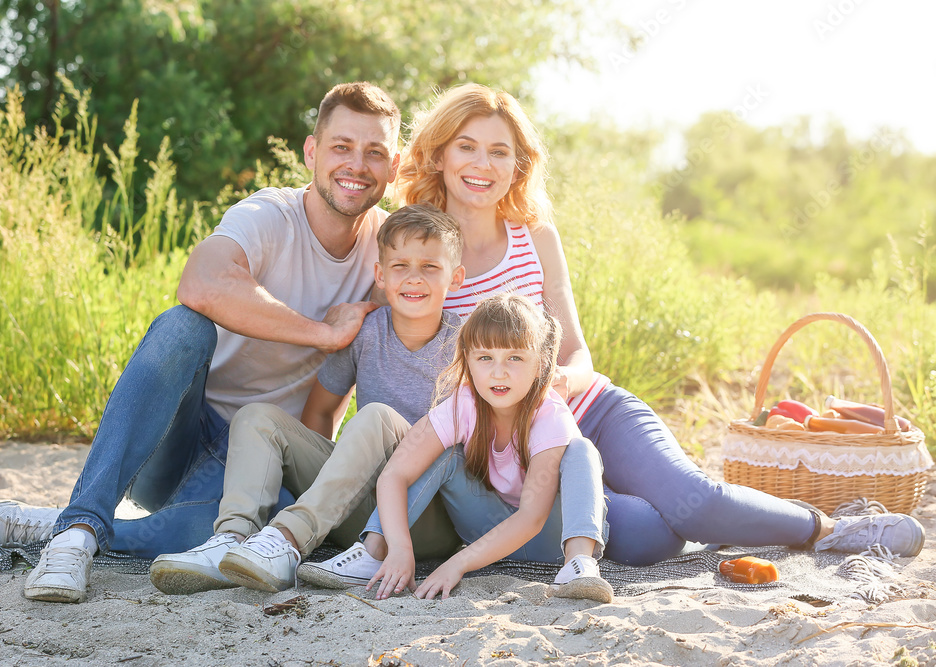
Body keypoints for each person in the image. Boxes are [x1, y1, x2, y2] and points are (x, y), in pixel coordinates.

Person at [389, 83, 926, 565]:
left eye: (499, 151)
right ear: (438, 155)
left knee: (694, 499)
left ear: (517, 166)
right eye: (467, 146)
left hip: (588, 408)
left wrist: (558, 381)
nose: (482, 163)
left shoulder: (536, 238)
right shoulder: (414, 251)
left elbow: (577, 351)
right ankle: (697, 519)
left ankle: (829, 528)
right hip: (517, 448)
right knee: (651, 537)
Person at [0, 81, 403, 603]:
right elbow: (201, 283)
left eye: (375, 152)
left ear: (393, 168)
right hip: (177, 436)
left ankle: (54, 525)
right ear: (311, 151)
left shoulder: (391, 252)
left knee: (233, 541)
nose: (357, 165)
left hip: (255, 459)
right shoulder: (269, 215)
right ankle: (76, 531)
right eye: (341, 147)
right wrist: (322, 333)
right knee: (183, 326)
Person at [148, 203, 466, 595]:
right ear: (380, 276)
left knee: (376, 417)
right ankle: (231, 540)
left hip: (427, 517)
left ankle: (287, 540)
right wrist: (333, 483)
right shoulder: (365, 333)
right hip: (362, 509)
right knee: (258, 417)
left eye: (430, 267)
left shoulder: (468, 345)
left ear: (457, 277)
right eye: (400, 266)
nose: (414, 278)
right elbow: (319, 413)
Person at [298, 294, 613, 602]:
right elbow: (394, 475)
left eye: (515, 358)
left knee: (582, 450)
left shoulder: (549, 415)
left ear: (540, 363)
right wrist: (400, 548)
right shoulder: (463, 405)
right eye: (485, 358)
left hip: (551, 538)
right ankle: (374, 552)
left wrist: (456, 564)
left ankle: (579, 564)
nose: (498, 372)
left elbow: (531, 518)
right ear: (468, 360)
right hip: (486, 530)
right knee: (445, 455)